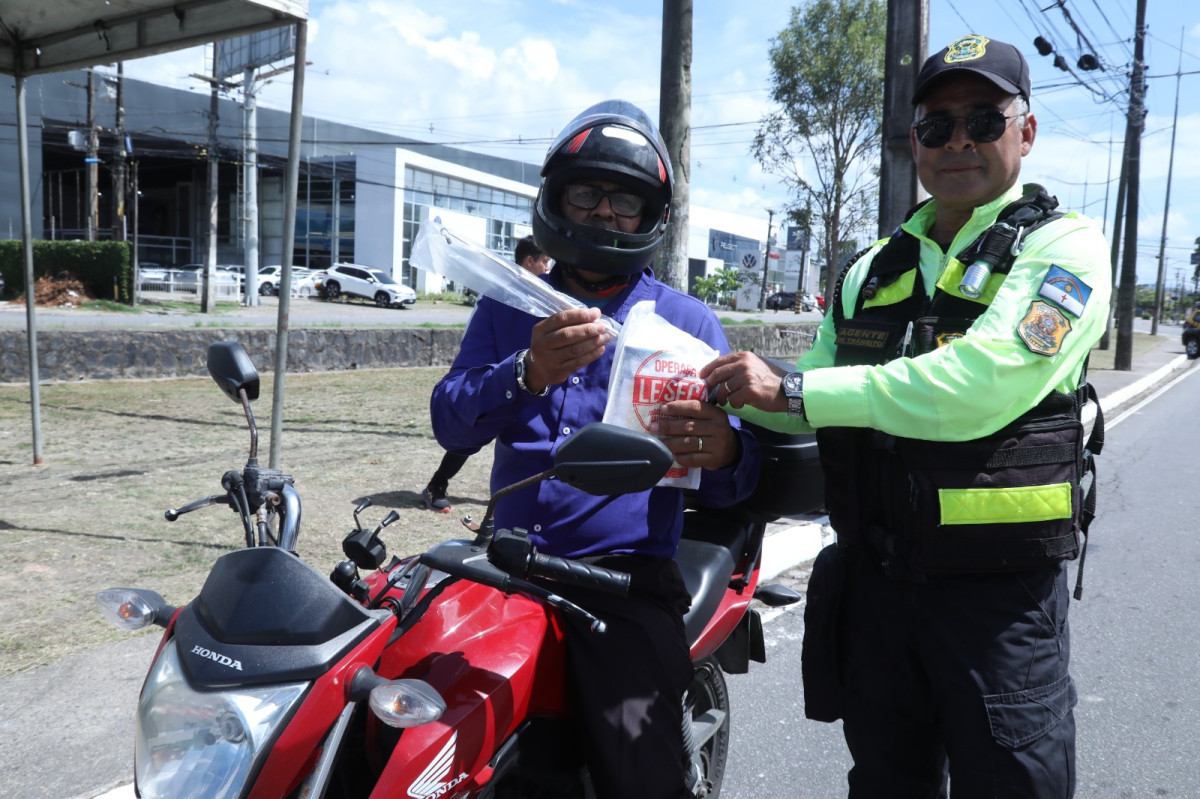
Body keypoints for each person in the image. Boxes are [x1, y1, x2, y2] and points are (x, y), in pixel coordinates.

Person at [696, 35, 1111, 797]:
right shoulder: (872, 266)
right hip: (877, 588)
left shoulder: (1065, 248)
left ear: (1026, 132)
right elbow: (812, 391)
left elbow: (981, 382)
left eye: (983, 120)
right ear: (914, 141)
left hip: (999, 602)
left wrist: (789, 393)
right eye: (935, 125)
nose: (958, 141)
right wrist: (725, 399)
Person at [430, 99, 760, 798]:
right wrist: (524, 373)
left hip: (624, 582)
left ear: (651, 218)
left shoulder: (688, 321)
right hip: (506, 563)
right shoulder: (507, 304)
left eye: (627, 200)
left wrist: (724, 450)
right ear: (556, 200)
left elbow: (735, 483)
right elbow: (450, 425)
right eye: (588, 191)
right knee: (408, 704)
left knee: (640, 770)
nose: (605, 212)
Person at [421, 235, 550, 512]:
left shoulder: (540, 294)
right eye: (545, 261)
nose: (548, 268)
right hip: (492, 369)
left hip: (525, 373)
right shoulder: (499, 292)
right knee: (475, 428)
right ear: (530, 261)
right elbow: (477, 341)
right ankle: (437, 484)